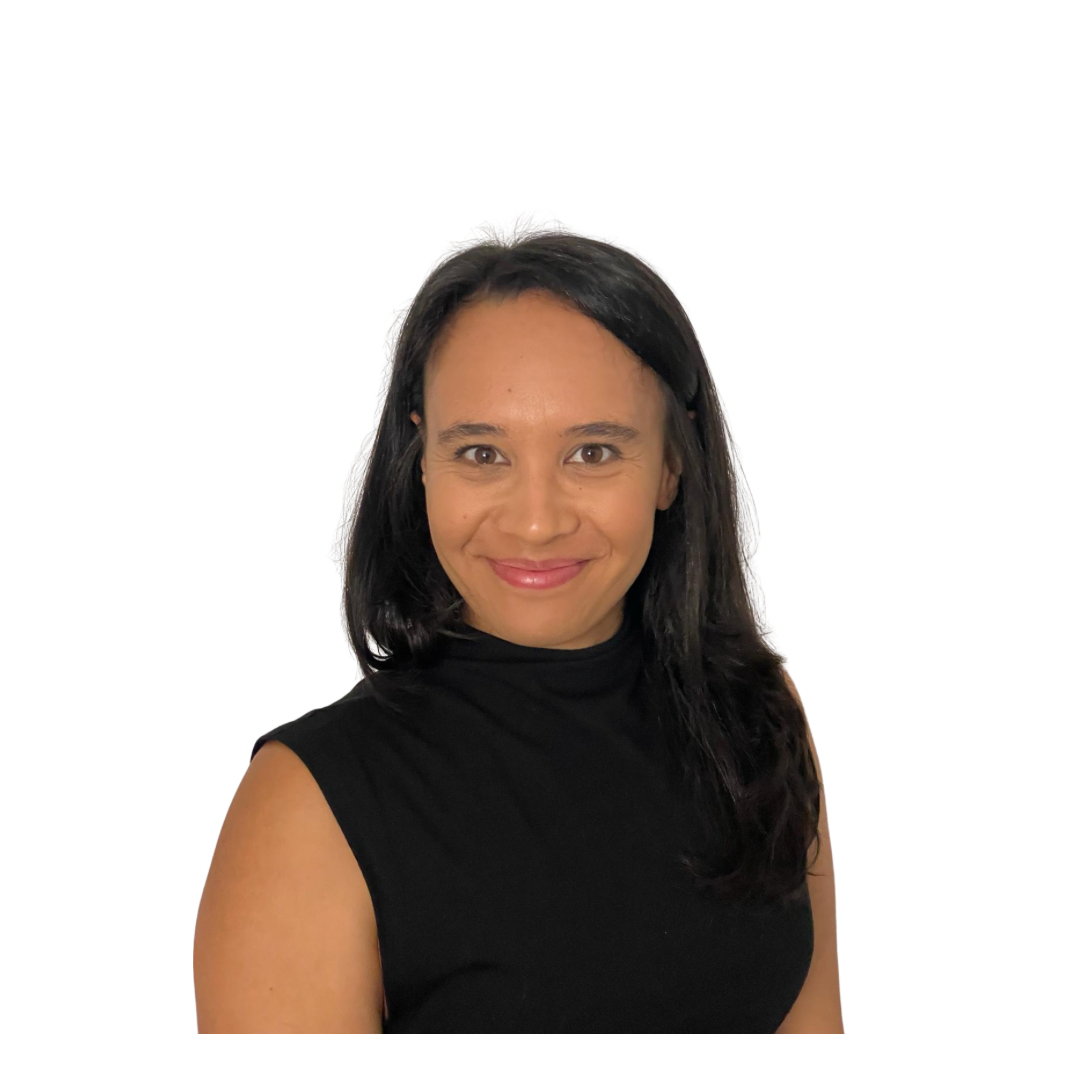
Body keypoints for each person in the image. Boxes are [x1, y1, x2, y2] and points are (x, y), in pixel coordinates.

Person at [193, 228, 843, 1033]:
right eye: (481, 454)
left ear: (672, 466)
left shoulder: (754, 713)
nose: (536, 523)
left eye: (594, 451)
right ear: (420, 458)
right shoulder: (307, 806)